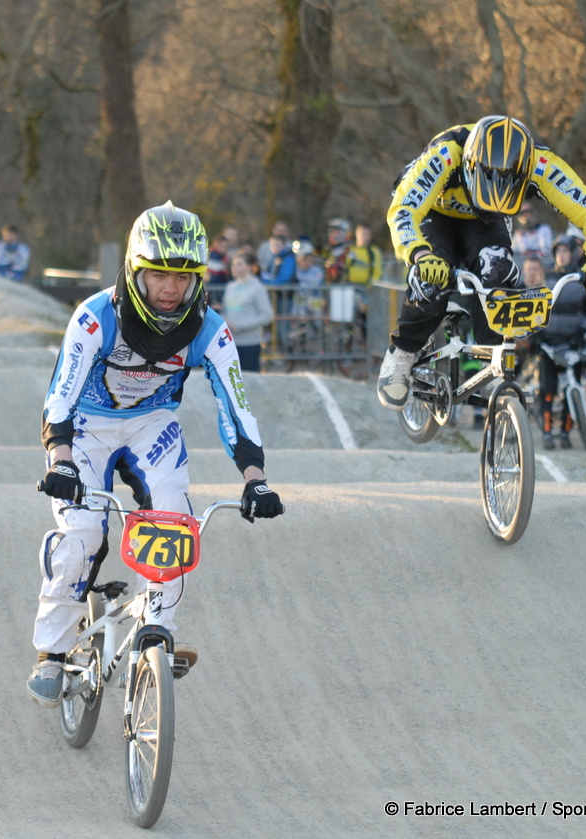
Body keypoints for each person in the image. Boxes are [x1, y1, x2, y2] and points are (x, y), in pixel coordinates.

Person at [28, 201, 284, 707]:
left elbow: (236, 407)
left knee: (173, 517)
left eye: (182, 277)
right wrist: (60, 460)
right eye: (158, 275)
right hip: (86, 424)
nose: (170, 288)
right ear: (134, 271)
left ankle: (158, 632)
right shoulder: (95, 318)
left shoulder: (211, 329)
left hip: (153, 426)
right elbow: (60, 394)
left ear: (197, 279)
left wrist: (256, 478)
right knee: (84, 535)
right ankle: (51, 653)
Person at [377, 115, 586, 411]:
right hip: (434, 210)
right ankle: (402, 352)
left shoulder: (540, 164)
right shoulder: (447, 153)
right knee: (432, 276)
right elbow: (404, 208)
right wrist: (420, 254)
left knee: (498, 269)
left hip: (486, 218)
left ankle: (490, 360)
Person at [537, 254, 586, 450]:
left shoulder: (583, 278)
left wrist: (583, 331)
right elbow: (533, 306)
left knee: (571, 389)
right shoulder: (545, 277)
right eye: (559, 251)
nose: (562, 255)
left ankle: (566, 433)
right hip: (548, 344)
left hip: (573, 345)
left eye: (567, 251)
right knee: (547, 390)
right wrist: (536, 333)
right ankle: (547, 433)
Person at [222, 251, 273, 372]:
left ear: (250, 267)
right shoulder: (230, 286)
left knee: (249, 382)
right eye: (233, 264)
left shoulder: (257, 288)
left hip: (249, 343)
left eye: (239, 264)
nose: (234, 267)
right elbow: (225, 311)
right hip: (230, 343)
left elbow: (267, 315)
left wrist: (241, 326)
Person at [511, 201, 554, 269]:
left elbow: (546, 250)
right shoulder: (518, 234)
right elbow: (512, 251)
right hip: (524, 268)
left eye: (528, 214)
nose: (526, 217)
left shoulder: (544, 229)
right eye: (523, 214)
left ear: (533, 214)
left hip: (544, 266)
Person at [323, 217, 352, 283]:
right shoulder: (327, 250)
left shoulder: (349, 251)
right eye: (332, 231)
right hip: (329, 285)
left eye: (336, 232)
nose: (333, 235)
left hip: (344, 286)